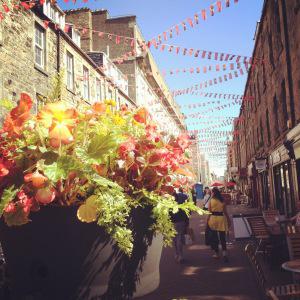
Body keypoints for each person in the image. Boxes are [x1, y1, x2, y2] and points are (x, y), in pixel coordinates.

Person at [207, 187, 231, 262]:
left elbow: (209, 212)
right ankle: (224, 253)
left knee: (214, 237)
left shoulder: (211, 200)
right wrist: (228, 220)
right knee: (222, 237)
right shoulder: (222, 200)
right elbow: (225, 212)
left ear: (213, 193)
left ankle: (216, 253)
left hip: (213, 219)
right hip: (221, 219)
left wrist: (207, 220)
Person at [171, 187, 189, 263]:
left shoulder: (169, 205)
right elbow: (185, 214)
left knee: (174, 239)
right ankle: (180, 256)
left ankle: (176, 254)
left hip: (172, 222)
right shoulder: (181, 204)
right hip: (180, 222)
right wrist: (187, 223)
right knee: (179, 238)